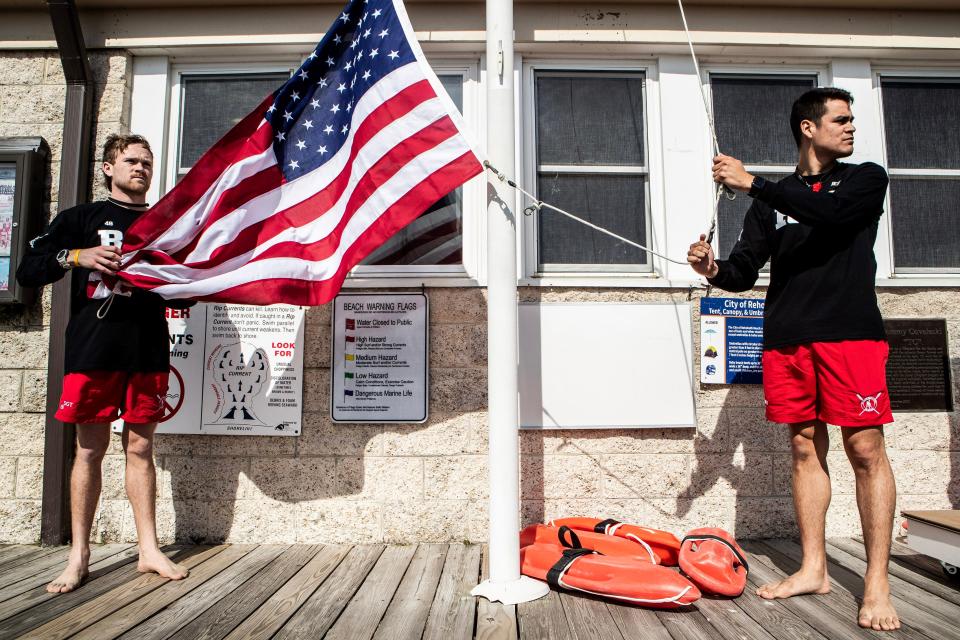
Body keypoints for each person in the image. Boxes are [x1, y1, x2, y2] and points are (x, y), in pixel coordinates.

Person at [687, 88, 900, 631]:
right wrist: (712, 269)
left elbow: (829, 215)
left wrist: (755, 182)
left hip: (849, 335)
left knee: (866, 447)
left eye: (852, 120)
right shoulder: (769, 203)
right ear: (809, 128)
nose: (851, 129)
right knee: (804, 446)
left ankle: (876, 581)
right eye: (841, 120)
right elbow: (742, 273)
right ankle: (814, 568)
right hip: (786, 339)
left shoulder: (863, 180)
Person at [17, 134, 192, 593]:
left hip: (148, 349)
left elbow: (187, 283)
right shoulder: (80, 218)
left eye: (147, 163)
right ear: (108, 168)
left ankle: (148, 550)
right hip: (93, 351)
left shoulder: (165, 221)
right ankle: (79, 555)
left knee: (140, 450)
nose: (140, 168)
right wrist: (78, 255)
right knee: (90, 450)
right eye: (131, 161)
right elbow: (29, 267)